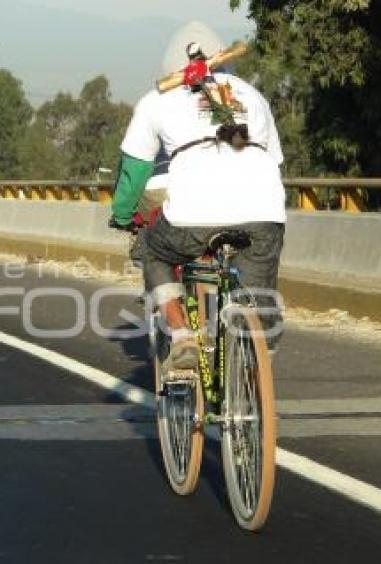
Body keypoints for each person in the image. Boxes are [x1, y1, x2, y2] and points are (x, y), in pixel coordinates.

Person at [110, 21, 286, 372]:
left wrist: (123, 214)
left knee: (153, 250)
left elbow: (134, 172)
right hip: (263, 213)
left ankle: (181, 336)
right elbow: (275, 162)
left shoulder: (157, 99)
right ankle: (254, 372)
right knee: (256, 297)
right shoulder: (252, 95)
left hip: (191, 216)